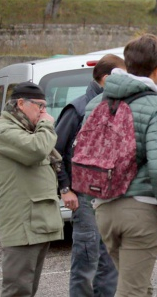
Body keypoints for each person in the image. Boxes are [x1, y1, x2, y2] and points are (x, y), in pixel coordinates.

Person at [85, 34, 157, 297]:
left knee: (137, 285)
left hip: (104, 208)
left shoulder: (96, 103)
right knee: (132, 291)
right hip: (140, 209)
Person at [55, 54, 126, 297]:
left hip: (111, 196)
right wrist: (65, 188)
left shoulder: (117, 109)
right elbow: (54, 152)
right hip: (84, 197)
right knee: (86, 260)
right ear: (107, 79)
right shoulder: (76, 109)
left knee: (110, 260)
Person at [0, 82, 64, 296]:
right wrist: (46, 126)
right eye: (40, 106)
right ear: (21, 103)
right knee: (17, 290)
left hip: (37, 222)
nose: (45, 113)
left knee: (28, 289)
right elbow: (36, 150)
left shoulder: (27, 130)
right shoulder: (2, 130)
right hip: (22, 224)